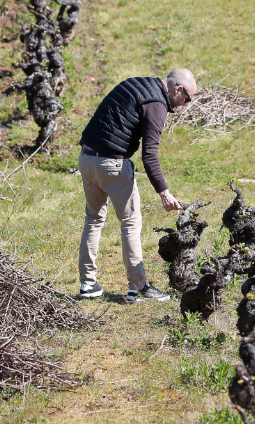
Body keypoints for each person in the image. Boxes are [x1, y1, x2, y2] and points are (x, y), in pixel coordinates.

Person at [76, 69, 197, 303]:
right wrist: (164, 192)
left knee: (93, 219)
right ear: (178, 89)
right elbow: (149, 154)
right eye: (187, 99)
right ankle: (138, 287)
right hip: (112, 164)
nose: (184, 105)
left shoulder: (136, 83)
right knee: (131, 223)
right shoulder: (157, 105)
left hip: (86, 158)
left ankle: (87, 284)